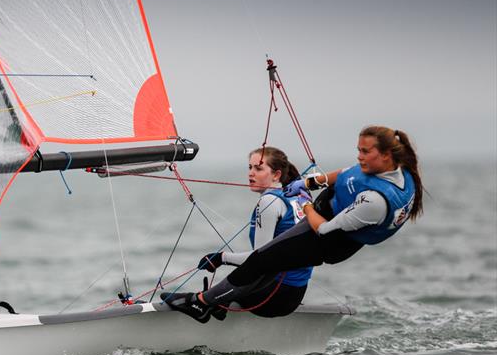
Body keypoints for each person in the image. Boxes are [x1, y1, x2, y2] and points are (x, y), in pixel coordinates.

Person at [164, 125, 422, 322]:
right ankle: (215, 302)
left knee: (260, 262)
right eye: (359, 150)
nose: (360, 156)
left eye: (259, 168)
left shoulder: (375, 200)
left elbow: (322, 230)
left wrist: (222, 257)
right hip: (293, 289)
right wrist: (306, 185)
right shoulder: (385, 170)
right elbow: (342, 176)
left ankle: (202, 303)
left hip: (317, 251)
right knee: (264, 262)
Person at [188, 146, 314, 320]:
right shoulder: (298, 197)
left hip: (272, 296)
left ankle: (206, 306)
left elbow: (260, 260)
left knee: (197, 298)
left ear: (276, 175)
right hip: (295, 294)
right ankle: (217, 307)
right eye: (250, 167)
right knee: (226, 290)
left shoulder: (269, 201)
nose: (251, 174)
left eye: (258, 168)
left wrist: (221, 258)